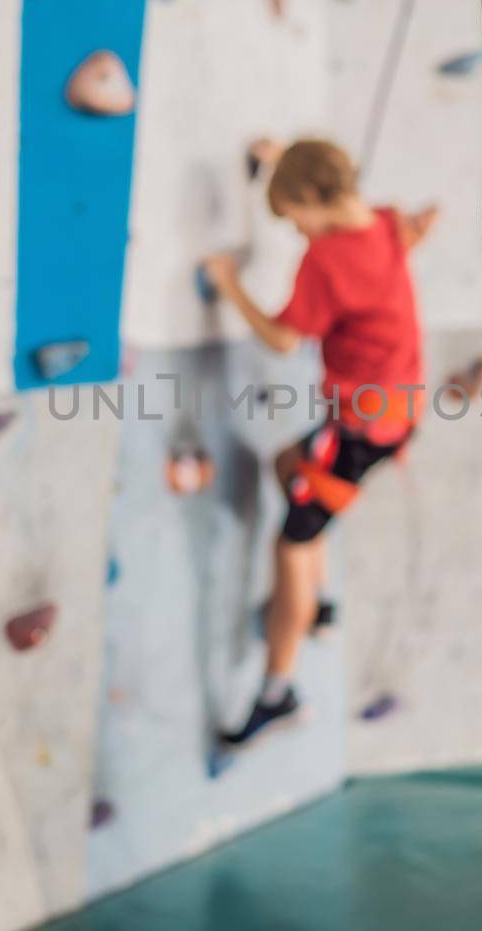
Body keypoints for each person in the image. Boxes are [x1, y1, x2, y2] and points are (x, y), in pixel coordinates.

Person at [201, 139, 436, 748]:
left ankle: (277, 693)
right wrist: (287, 166)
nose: (298, 234)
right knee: (288, 465)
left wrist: (229, 284)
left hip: (360, 428)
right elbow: (403, 226)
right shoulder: (381, 220)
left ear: (312, 199)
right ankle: (317, 604)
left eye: (295, 219)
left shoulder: (327, 259)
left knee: (290, 545)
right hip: (397, 410)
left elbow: (282, 337)